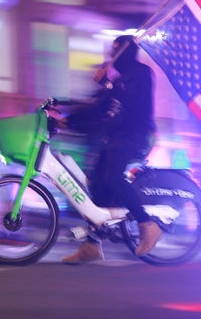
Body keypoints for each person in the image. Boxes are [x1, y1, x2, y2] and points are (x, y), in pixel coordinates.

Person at [58, 35, 162, 264]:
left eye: (116, 53)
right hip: (116, 137)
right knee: (97, 184)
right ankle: (92, 245)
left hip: (136, 136)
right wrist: (69, 119)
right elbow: (100, 107)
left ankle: (147, 224)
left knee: (114, 177)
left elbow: (125, 98)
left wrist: (108, 82)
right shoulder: (118, 80)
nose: (112, 58)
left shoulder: (141, 74)